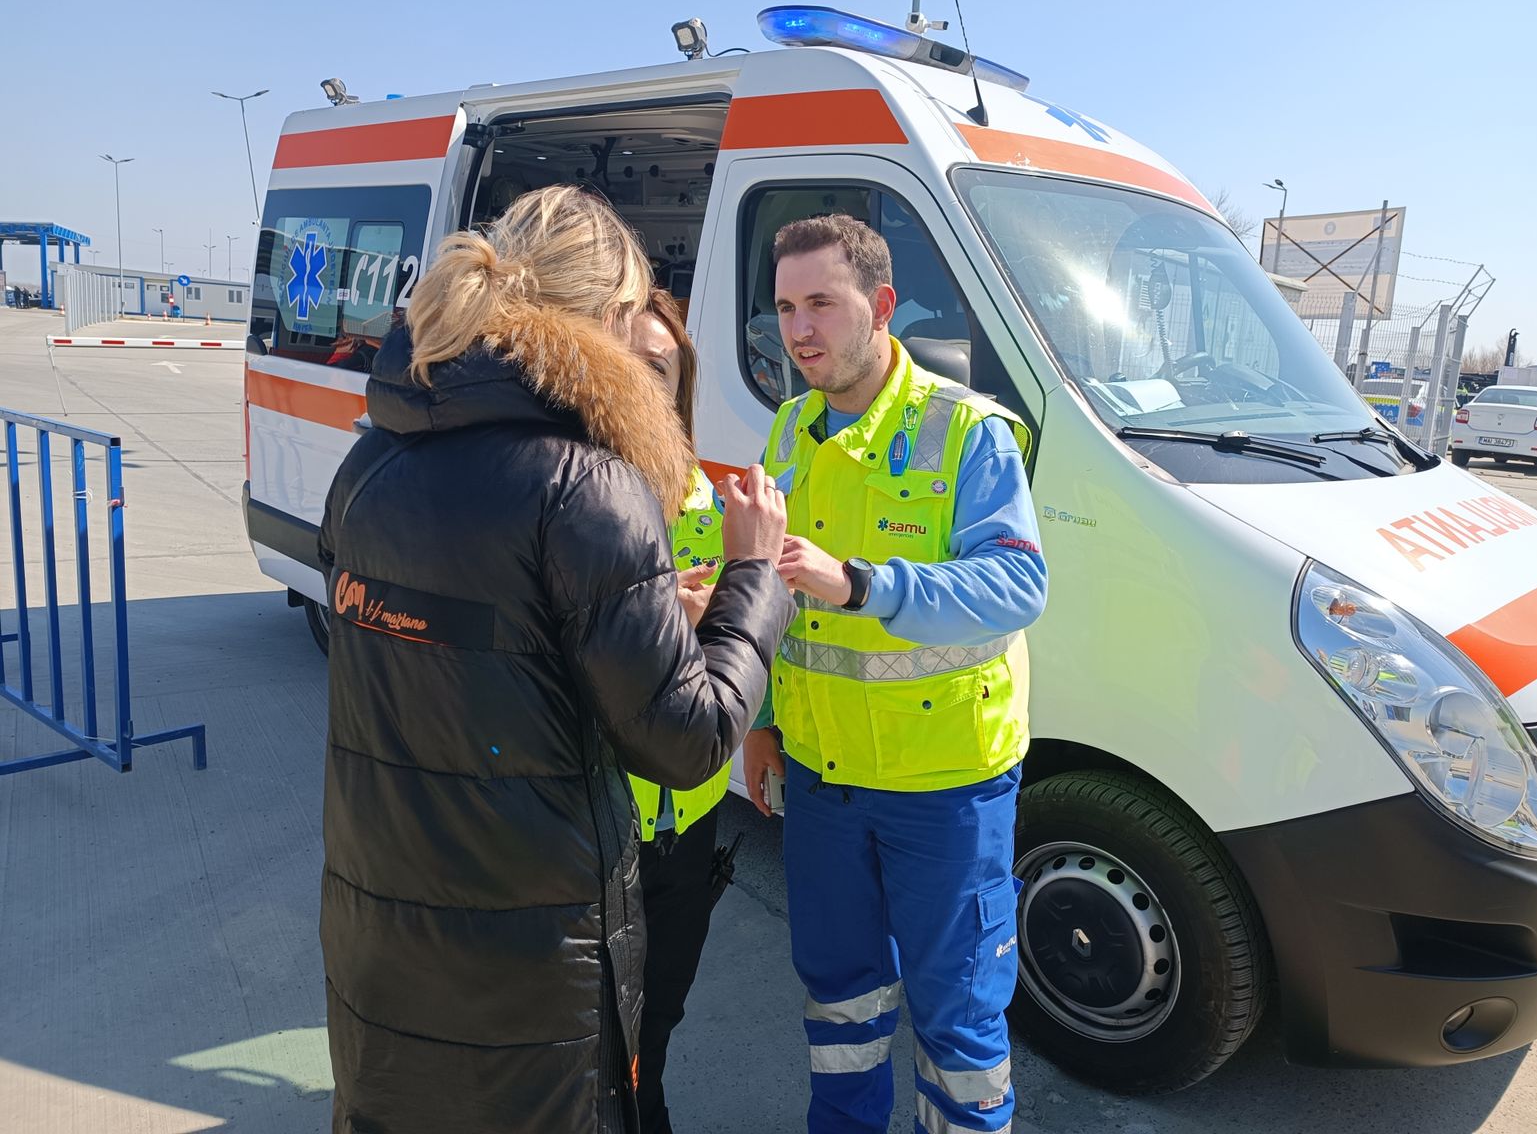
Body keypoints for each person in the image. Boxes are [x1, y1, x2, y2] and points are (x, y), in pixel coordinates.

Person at [317, 185, 794, 1134]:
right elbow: (687, 741)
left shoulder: (370, 463)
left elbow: (469, 660)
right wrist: (753, 586)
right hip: (531, 950)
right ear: (613, 321)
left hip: (380, 918)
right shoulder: (589, 485)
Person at [741, 215, 1047, 1134]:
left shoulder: (968, 432)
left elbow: (1017, 582)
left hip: (944, 786)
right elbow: (769, 590)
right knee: (841, 1005)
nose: (800, 331)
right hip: (825, 783)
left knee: (957, 1019)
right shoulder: (790, 429)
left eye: (822, 304)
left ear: (879, 308)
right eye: (787, 307)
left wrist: (862, 584)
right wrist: (758, 718)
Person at [622, 289, 735, 1134]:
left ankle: (648, 1106)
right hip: (596, 826)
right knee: (594, 1031)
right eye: (624, 358)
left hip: (687, 825)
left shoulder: (707, 502)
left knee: (660, 1018)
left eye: (658, 365)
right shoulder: (571, 493)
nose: (640, 377)